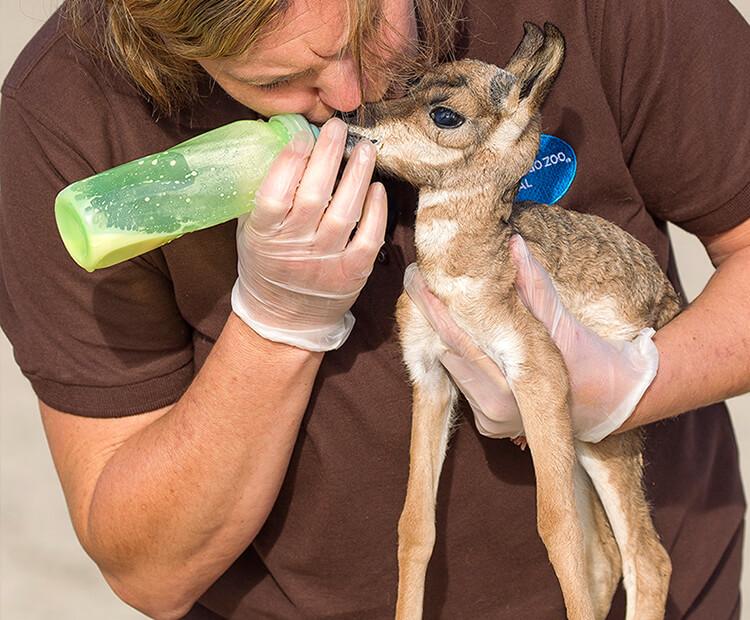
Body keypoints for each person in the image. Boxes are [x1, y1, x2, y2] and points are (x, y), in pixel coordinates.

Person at [1, 0, 749, 617]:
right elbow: (150, 574)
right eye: (283, 78)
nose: (359, 99)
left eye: (368, 29)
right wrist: (275, 326)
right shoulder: (60, 116)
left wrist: (632, 385)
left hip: (674, 582)